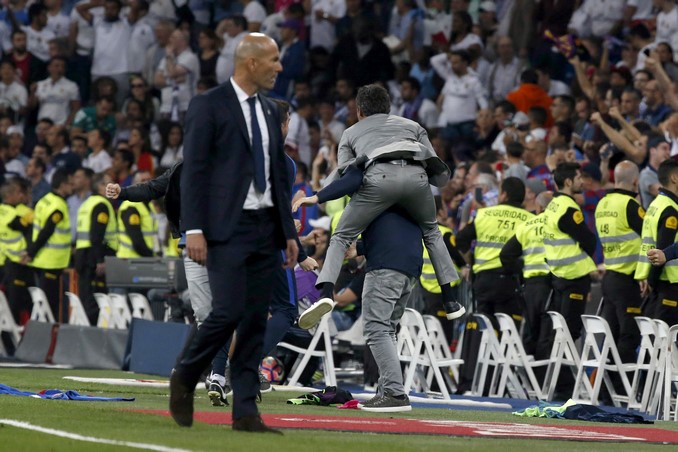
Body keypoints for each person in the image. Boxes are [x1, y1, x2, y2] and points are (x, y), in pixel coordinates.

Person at [171, 34, 298, 433]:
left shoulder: (270, 111)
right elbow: (194, 172)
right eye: (274, 60)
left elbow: (278, 178)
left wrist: (288, 233)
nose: (280, 67)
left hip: (265, 229)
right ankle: (185, 375)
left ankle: (245, 411)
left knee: (255, 320)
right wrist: (194, 228)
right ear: (251, 63)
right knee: (226, 312)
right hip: (226, 227)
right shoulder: (209, 105)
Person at [293, 84, 463, 331]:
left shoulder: (350, 132)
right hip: (417, 180)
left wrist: (318, 196)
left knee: (340, 236)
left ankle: (326, 293)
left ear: (359, 111)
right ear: (389, 108)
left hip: (378, 178)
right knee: (432, 232)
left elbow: (348, 175)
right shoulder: (413, 126)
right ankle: (451, 299)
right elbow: (432, 163)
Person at [542, 162, 597, 394]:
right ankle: (565, 388)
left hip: (558, 276)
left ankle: (558, 385)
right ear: (568, 182)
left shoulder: (552, 205)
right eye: (578, 177)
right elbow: (589, 240)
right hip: (574, 276)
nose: (582, 181)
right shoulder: (568, 208)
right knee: (569, 332)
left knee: (560, 332)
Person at [594, 161, 644, 364]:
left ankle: (608, 383)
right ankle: (625, 382)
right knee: (629, 335)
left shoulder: (602, 204)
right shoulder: (629, 205)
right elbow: (650, 235)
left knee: (612, 336)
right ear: (635, 181)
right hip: (626, 281)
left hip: (609, 278)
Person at [500, 190, 553, 358]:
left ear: (539, 207)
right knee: (547, 333)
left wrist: (521, 271)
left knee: (530, 333)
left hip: (530, 286)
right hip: (550, 285)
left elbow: (506, 254)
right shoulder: (558, 223)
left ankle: (530, 372)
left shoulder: (527, 225)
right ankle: (544, 373)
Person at [22, 168, 73, 322]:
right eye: (70, 184)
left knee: (43, 301)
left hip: (41, 259)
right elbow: (46, 231)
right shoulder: (58, 206)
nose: (72, 187)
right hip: (52, 261)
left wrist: (31, 251)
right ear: (62, 185)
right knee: (50, 304)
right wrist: (30, 252)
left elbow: (34, 228)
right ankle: (49, 333)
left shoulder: (44, 200)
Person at [636, 159, 678, 326]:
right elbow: (662, 250)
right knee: (666, 337)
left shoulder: (655, 205)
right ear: (674, 178)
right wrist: (652, 282)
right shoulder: (670, 210)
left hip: (657, 280)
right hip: (670, 282)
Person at [75, 172, 118, 325]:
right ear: (100, 186)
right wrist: (100, 260)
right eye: (109, 184)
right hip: (95, 257)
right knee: (96, 300)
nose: (113, 187)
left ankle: (85, 328)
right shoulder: (101, 205)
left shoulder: (87, 203)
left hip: (83, 254)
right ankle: (94, 331)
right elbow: (97, 235)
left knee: (86, 298)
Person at [0, 178, 34, 325]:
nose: (21, 196)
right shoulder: (6, 211)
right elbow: (21, 224)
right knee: (14, 304)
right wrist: (31, 217)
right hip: (13, 263)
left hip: (18, 262)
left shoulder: (17, 210)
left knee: (24, 301)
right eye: (18, 193)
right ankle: (10, 335)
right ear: (10, 195)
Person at [116, 171, 156, 258]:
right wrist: (151, 256)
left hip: (144, 258)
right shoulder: (130, 206)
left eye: (149, 180)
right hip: (131, 259)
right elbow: (136, 239)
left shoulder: (150, 205)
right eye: (143, 180)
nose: (147, 183)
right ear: (134, 185)